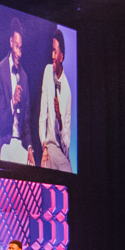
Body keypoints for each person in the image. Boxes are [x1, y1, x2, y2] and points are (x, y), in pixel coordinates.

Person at [0, 17, 34, 165]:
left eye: (21, 48)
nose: (19, 53)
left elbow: (26, 121)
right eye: (16, 46)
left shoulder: (24, 76)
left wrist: (30, 147)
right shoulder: (1, 69)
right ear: (11, 42)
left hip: (21, 145)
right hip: (6, 143)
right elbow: (0, 122)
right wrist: (13, 102)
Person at [38, 29, 72, 171]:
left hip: (62, 153)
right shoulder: (47, 72)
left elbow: (67, 144)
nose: (52, 55)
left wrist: (59, 119)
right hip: (50, 146)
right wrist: (44, 145)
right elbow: (42, 116)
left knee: (68, 170)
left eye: (55, 52)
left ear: (61, 57)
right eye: (51, 51)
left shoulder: (67, 91)